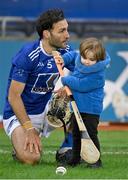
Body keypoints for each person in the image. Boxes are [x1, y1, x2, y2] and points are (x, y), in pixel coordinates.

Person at [3, 8, 73, 165]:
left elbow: (80, 75)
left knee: (82, 102)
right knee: (31, 159)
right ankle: (18, 146)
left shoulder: (66, 50)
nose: (67, 35)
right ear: (47, 34)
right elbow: (13, 97)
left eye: (67, 29)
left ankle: (66, 150)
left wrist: (69, 88)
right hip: (21, 114)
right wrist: (29, 129)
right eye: (61, 31)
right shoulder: (29, 55)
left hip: (46, 109)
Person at [55, 37, 111, 167]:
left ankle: (96, 161)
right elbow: (73, 55)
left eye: (91, 60)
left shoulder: (98, 74)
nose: (86, 62)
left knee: (90, 134)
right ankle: (75, 159)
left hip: (91, 109)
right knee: (75, 134)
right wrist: (63, 59)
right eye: (85, 57)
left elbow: (81, 85)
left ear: (98, 59)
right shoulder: (79, 58)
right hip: (77, 106)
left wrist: (66, 80)